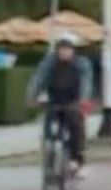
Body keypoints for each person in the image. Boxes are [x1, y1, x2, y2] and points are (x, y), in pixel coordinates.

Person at [30, 36, 93, 177]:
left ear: (73, 50)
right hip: (54, 100)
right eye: (61, 49)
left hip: (73, 100)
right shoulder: (49, 63)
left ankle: (76, 160)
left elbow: (86, 81)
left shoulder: (81, 63)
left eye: (67, 49)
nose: (64, 52)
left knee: (76, 127)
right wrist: (33, 96)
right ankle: (49, 158)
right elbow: (38, 79)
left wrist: (83, 98)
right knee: (49, 131)